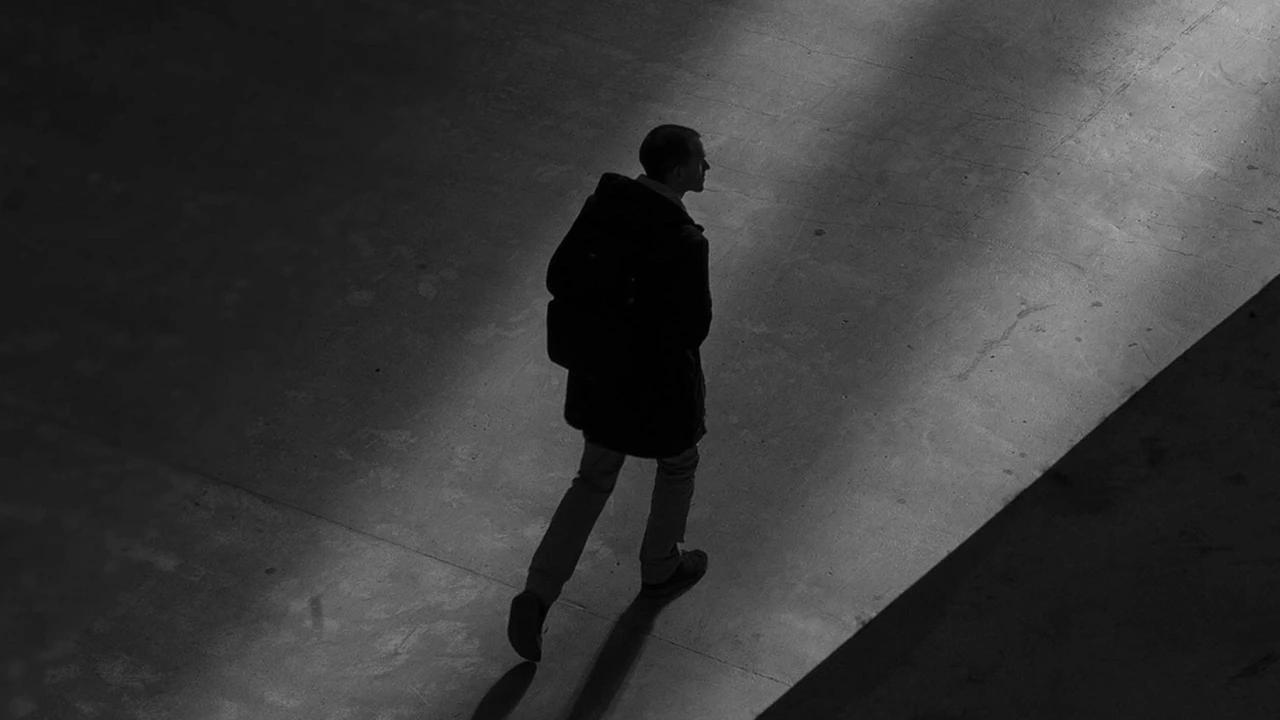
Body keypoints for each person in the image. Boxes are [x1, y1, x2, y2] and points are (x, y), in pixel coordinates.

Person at [507, 124, 715, 663]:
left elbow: (561, 275)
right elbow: (692, 328)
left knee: (593, 477)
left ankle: (538, 592)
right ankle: (660, 565)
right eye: (700, 162)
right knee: (678, 462)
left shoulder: (603, 207)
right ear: (677, 173)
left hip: (600, 376)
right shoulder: (684, 241)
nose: (706, 169)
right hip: (656, 388)